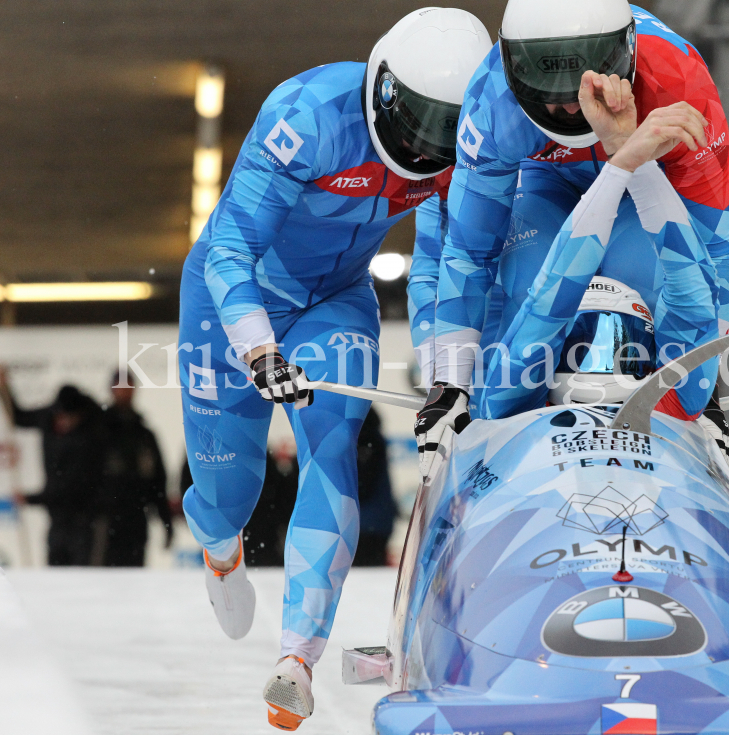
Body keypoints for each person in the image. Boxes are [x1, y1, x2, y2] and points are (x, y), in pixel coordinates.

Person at [176, 9, 492, 730]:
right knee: (232, 489)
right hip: (233, 300)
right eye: (416, 121)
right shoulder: (305, 115)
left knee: (332, 448)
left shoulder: (462, 153)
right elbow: (230, 247)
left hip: (336, 303)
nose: (426, 144)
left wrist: (449, 373)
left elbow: (446, 268)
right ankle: (218, 544)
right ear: (383, 89)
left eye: (448, 127)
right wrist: (258, 348)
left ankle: (297, 658)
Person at [413, 0, 729, 470]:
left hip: (644, 184)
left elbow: (717, 244)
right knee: (529, 285)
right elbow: (470, 250)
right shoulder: (492, 106)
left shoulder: (678, 81)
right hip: (570, 181)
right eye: (581, 350)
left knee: (551, 297)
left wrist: (701, 386)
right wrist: (450, 385)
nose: (570, 105)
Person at [477, 83, 720, 421]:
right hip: (546, 177)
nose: (599, 367)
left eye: (621, 348)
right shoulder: (677, 404)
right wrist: (626, 159)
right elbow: (696, 297)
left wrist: (630, 160)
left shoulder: (508, 405)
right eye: (583, 349)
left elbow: (546, 305)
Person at [0, 370, 105, 566]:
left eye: (69, 418)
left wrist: (31, 498)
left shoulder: (90, 437)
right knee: (57, 576)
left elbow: (71, 486)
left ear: (80, 415)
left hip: (83, 519)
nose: (62, 422)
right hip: (56, 519)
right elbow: (18, 416)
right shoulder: (48, 418)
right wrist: (4, 387)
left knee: (82, 578)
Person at [97, 370, 172, 567]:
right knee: (102, 578)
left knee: (134, 576)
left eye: (128, 387)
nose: (124, 392)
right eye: (120, 387)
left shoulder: (144, 434)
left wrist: (166, 521)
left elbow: (158, 481)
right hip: (104, 518)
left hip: (137, 517)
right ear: (112, 389)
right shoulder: (97, 430)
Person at [354, 408, 397, 566]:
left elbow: (363, 484)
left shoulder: (363, 441)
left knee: (360, 576)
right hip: (378, 521)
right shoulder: (374, 439)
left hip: (364, 523)